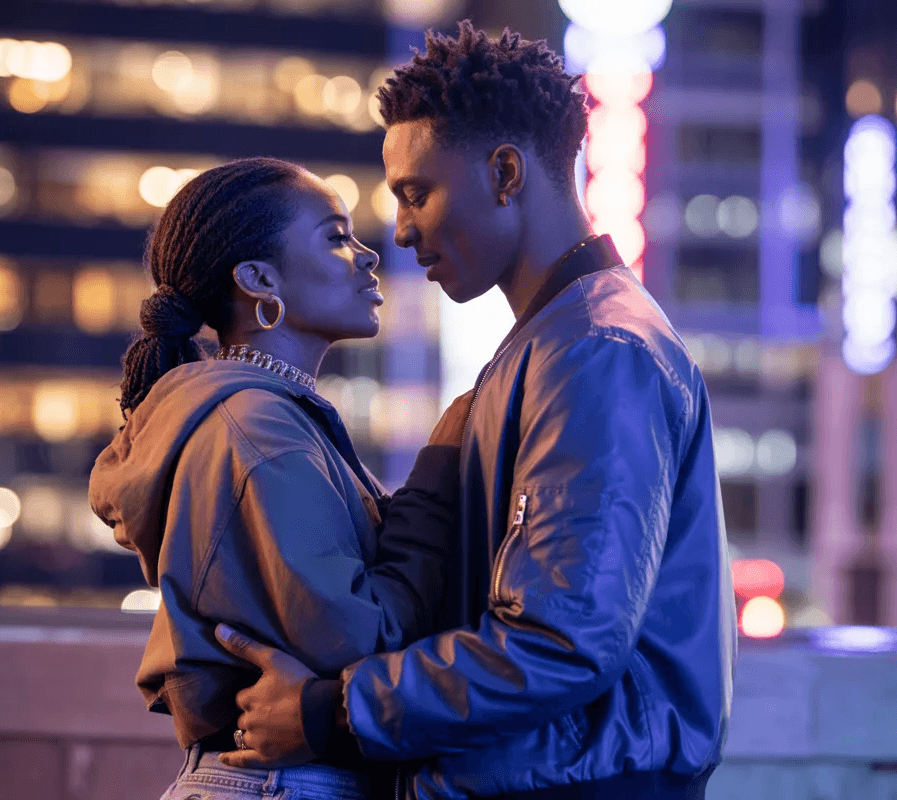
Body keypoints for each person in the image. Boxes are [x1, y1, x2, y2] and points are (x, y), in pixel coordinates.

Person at [212, 22, 737, 800]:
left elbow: (560, 642)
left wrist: (333, 710)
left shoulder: (596, 352)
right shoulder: (546, 350)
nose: (401, 229)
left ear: (504, 173)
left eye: (417, 192)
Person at [88, 156, 467, 800]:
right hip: (284, 783)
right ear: (259, 280)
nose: (368, 255)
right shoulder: (255, 424)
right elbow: (358, 639)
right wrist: (436, 484)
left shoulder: (254, 414)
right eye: (336, 237)